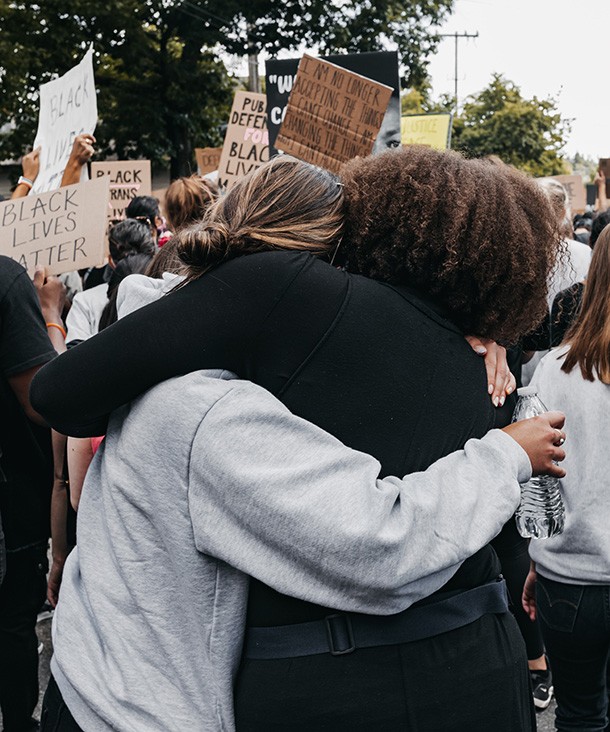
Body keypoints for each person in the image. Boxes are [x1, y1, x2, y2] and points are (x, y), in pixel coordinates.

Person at [32, 148, 561, 730]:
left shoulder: (200, 371)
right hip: (125, 709)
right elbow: (382, 542)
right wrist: (509, 446)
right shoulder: (207, 407)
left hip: (110, 685)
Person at [522, 222, 610, 732]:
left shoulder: (555, 369)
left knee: (579, 716)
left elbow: (538, 481)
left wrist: (539, 558)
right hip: (567, 573)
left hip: (569, 578)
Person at [0, 259, 65, 732]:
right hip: (11, 511)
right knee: (10, 629)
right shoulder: (6, 281)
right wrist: (49, 313)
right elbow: (45, 399)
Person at [64, 219, 156, 345]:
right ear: (153, 256)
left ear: (111, 261)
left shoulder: (84, 302)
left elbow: (72, 354)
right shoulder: (169, 293)